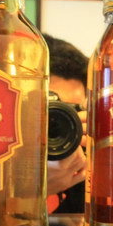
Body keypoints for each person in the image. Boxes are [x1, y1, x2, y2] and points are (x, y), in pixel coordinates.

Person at [43, 34, 88, 214]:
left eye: (70, 111)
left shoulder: (88, 171)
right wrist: (27, 192)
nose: (55, 123)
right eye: (45, 109)